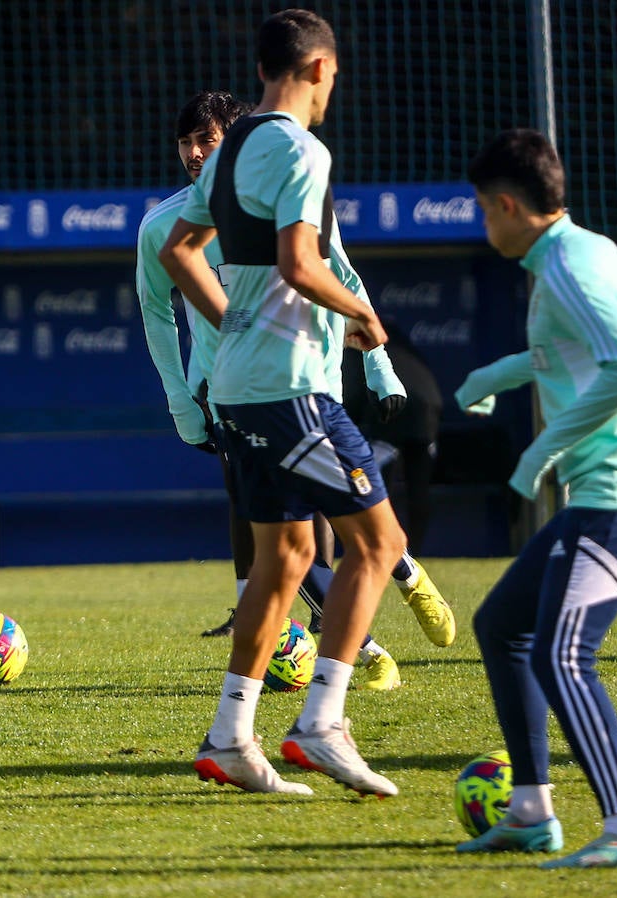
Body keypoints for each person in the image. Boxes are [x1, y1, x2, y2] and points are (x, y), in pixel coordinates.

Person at [158, 9, 404, 797]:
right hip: (291, 390)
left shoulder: (225, 157)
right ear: (321, 69)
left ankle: (231, 737)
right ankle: (322, 722)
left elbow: (178, 251)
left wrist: (232, 327)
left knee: (287, 558)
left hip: (237, 389)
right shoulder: (301, 148)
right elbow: (303, 265)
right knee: (379, 543)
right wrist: (361, 317)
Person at [138, 92, 454, 694]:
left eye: (207, 140)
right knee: (286, 537)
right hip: (235, 393)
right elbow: (158, 311)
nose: (195, 153)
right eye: (186, 143)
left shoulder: (284, 200)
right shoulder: (164, 226)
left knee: (321, 521)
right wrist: (183, 395)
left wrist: (379, 359)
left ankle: (399, 575)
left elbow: (336, 270)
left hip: (312, 380)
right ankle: (358, 654)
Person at [453, 129, 617, 868]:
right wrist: (496, 375)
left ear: (510, 204)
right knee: (503, 626)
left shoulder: (571, 268)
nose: (485, 225)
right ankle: (529, 811)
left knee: (561, 655)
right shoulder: (573, 254)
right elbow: (566, 354)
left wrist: (540, 451)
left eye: (485, 211)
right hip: (603, 496)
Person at [341, 318, 443, 554]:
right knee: (417, 488)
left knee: (376, 488)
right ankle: (412, 552)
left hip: (393, 405)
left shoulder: (355, 335)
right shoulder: (393, 333)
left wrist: (346, 423)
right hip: (428, 407)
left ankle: (385, 548)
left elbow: (353, 389)